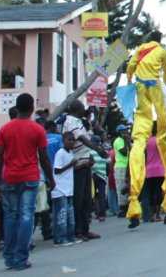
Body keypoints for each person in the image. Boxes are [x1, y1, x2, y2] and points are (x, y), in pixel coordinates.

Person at [0, 93, 54, 271]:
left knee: (11, 216)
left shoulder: (5, 129)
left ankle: (9, 257)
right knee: (27, 216)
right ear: (32, 108)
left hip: (10, 177)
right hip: (30, 177)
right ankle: (21, 257)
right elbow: (44, 158)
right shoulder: (37, 129)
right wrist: (51, 178)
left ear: (17, 108)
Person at [123, 31, 166, 229]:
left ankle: (133, 201)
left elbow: (130, 66)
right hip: (154, 88)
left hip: (140, 89)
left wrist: (129, 81)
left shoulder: (141, 48)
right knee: (162, 130)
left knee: (139, 134)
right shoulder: (161, 50)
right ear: (160, 41)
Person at [62, 100, 107, 240]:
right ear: (78, 109)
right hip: (78, 166)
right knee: (79, 200)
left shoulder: (78, 121)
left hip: (86, 163)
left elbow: (88, 134)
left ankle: (85, 229)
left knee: (87, 199)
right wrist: (98, 149)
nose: (84, 110)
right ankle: (78, 230)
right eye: (83, 108)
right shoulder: (70, 122)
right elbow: (82, 139)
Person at [50, 132, 79, 247]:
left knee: (69, 215)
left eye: (73, 140)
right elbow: (57, 170)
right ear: (63, 141)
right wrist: (71, 164)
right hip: (60, 189)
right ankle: (60, 238)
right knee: (61, 215)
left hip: (68, 188)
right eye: (69, 140)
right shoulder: (60, 153)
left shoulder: (70, 153)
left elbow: (70, 168)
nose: (71, 142)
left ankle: (70, 236)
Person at [143, 124, 166, 224]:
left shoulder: (146, 141)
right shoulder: (160, 141)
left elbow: (144, 155)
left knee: (151, 193)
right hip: (160, 170)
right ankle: (158, 215)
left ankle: (151, 216)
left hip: (149, 170)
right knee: (158, 192)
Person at [112, 125, 130, 216]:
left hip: (127, 165)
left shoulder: (125, 140)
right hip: (120, 166)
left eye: (126, 131)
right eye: (123, 131)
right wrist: (126, 141)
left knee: (127, 187)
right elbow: (123, 152)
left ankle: (128, 206)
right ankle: (122, 208)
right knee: (121, 187)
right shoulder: (118, 141)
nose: (126, 132)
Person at [91, 135, 109, 223]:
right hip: (102, 176)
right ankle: (102, 215)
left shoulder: (91, 151)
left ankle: (96, 213)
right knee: (102, 195)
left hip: (94, 175)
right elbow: (108, 161)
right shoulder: (103, 151)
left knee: (93, 195)